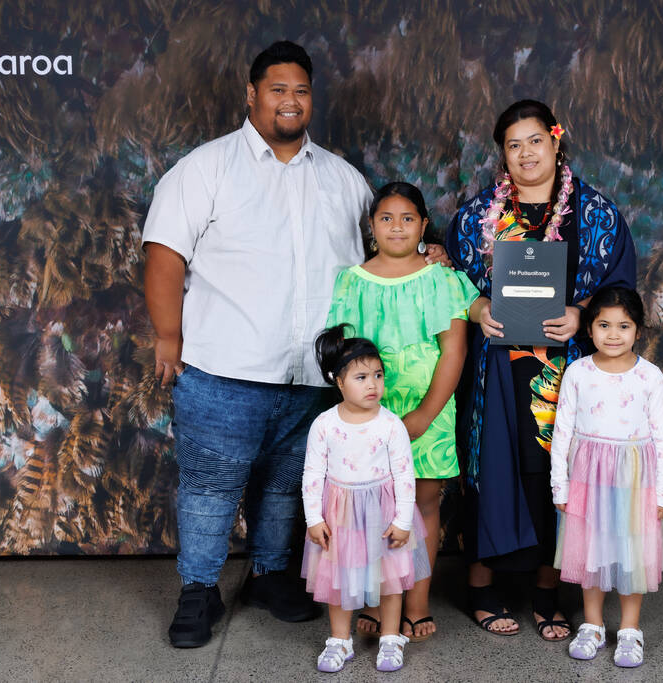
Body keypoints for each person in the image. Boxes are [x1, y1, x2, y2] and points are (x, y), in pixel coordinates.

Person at [142, 41, 447, 647]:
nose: (290, 100)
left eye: (301, 91)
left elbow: (382, 251)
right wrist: (168, 336)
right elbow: (163, 254)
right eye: (277, 89)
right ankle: (199, 590)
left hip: (313, 376)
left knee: (289, 484)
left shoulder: (342, 178)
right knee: (210, 487)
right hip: (223, 367)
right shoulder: (206, 168)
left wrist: (425, 256)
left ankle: (270, 573)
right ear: (252, 95)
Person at [445, 100, 637, 640]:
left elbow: (619, 288)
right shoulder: (476, 215)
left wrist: (582, 314)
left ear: (556, 141)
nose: (526, 153)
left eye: (534, 140)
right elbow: (449, 282)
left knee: (555, 478)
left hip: (568, 368)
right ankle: (481, 584)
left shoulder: (595, 214)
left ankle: (547, 591)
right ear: (502, 154)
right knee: (494, 469)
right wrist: (479, 308)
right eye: (513, 144)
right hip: (496, 368)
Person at [325, 182, 478, 641]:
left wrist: (425, 416)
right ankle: (376, 598)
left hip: (427, 414)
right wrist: (365, 415)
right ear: (371, 227)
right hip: (368, 418)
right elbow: (346, 355)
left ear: (424, 225)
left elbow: (454, 352)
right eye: (386, 219)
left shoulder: (442, 279)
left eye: (408, 219)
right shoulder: (351, 280)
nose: (397, 227)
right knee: (370, 505)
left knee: (422, 504)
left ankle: (416, 600)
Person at [550, 287, 663, 668]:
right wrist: (562, 483)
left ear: (638, 330)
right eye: (604, 325)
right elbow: (563, 432)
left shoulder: (650, 377)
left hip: (635, 481)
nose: (613, 334)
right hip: (589, 478)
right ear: (590, 328)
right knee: (592, 552)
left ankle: (629, 630)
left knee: (630, 553)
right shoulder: (577, 372)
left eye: (624, 326)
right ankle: (591, 625)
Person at [301, 325, 430, 673]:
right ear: (338, 382)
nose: (372, 384)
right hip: (340, 514)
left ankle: (390, 638)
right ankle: (339, 641)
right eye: (361, 377)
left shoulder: (390, 425)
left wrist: (403, 521)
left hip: (384, 511)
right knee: (339, 579)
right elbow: (312, 474)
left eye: (378, 375)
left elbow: (404, 475)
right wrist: (314, 518)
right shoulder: (324, 425)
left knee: (390, 578)